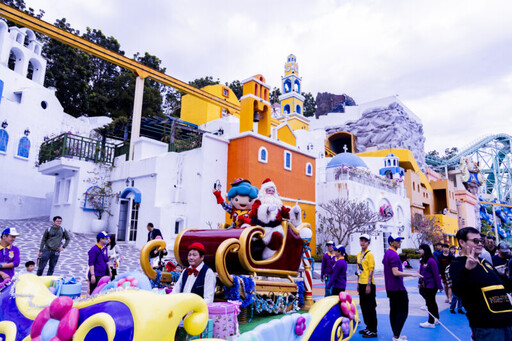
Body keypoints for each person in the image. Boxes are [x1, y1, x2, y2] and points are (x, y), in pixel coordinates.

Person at [450, 227, 512, 341]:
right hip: (487, 326)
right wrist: (467, 270)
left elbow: (504, 284)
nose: (480, 244)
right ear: (462, 242)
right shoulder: (458, 264)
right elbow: (458, 290)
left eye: (481, 241)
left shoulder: (485, 262)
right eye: (475, 241)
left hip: (507, 320)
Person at [382, 233, 422, 341]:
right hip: (397, 288)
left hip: (390, 288)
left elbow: (385, 265)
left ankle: (396, 335)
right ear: (391, 242)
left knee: (394, 311)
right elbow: (395, 272)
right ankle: (396, 336)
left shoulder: (387, 253)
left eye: (400, 240)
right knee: (403, 311)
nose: (399, 242)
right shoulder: (394, 255)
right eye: (397, 241)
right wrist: (412, 274)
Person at [249, 178, 302, 259]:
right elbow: (254, 211)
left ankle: (269, 255)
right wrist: (266, 209)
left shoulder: (278, 204)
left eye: (272, 191)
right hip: (261, 228)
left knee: (277, 236)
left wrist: (295, 212)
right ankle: (256, 257)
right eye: (268, 190)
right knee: (256, 243)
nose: (271, 192)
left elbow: (286, 213)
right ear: (264, 191)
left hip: (275, 228)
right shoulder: (259, 202)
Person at [356, 234, 377, 338]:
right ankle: (368, 326)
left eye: (365, 241)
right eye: (361, 240)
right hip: (361, 283)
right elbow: (358, 270)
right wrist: (358, 283)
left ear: (368, 243)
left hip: (368, 284)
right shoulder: (359, 254)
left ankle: (373, 329)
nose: (362, 242)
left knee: (370, 307)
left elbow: (371, 270)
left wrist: (368, 284)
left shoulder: (370, 254)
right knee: (363, 306)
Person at [417, 244, 443, 329]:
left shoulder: (431, 260)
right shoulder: (423, 260)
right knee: (431, 302)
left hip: (431, 285)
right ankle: (436, 318)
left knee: (430, 303)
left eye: (421, 249)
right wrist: (419, 282)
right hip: (425, 285)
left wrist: (439, 286)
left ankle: (431, 322)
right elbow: (420, 272)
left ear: (425, 250)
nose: (420, 251)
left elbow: (436, 274)